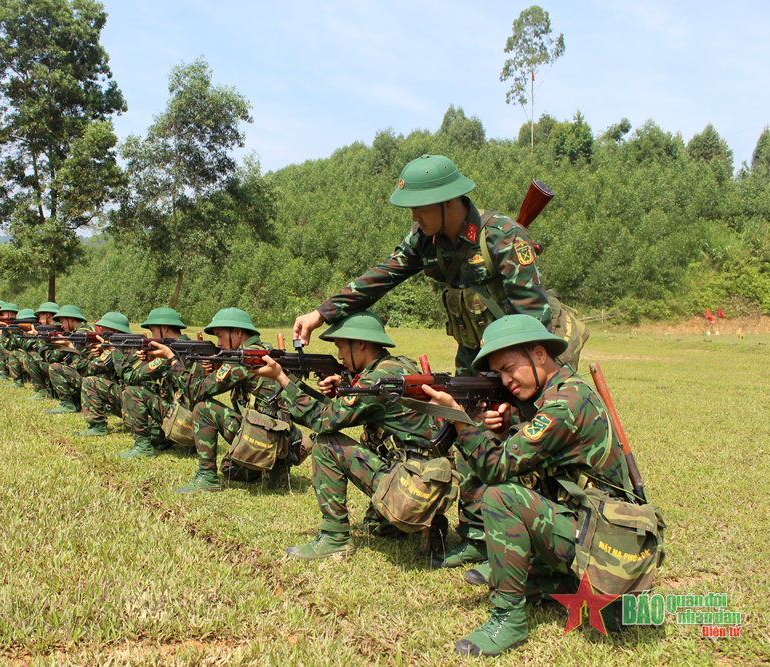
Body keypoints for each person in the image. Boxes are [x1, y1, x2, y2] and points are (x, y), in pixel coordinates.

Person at [292, 154, 588, 567]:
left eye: (420, 207)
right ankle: (474, 533)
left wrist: (513, 380)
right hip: (477, 350)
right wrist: (321, 314)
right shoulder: (424, 241)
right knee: (467, 428)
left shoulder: (503, 236)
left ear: (450, 202)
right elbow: (382, 275)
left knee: (522, 433)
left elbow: (533, 315)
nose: (414, 216)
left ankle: (535, 536)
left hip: (530, 349)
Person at [422, 315, 629, 657]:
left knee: (500, 496)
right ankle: (558, 580)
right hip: (593, 527)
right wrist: (504, 430)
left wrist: (459, 420)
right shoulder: (561, 391)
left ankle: (509, 620)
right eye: (499, 374)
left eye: (509, 368)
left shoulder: (563, 406)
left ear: (539, 353)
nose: (506, 381)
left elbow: (496, 467)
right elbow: (531, 457)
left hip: (605, 544)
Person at [252, 310, 445, 559]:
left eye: (342, 347)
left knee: (325, 444)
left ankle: (334, 538)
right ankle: (426, 519)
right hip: (428, 481)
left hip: (410, 486)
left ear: (361, 344)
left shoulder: (374, 380)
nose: (340, 356)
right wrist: (346, 390)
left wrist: (281, 378)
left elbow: (325, 421)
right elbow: (352, 410)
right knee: (375, 527)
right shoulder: (399, 365)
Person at [149, 308, 294, 493]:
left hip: (271, 438)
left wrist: (172, 359)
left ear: (238, 333)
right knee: (231, 470)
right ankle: (274, 470)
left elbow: (196, 391)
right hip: (279, 438)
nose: (218, 343)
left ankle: (207, 477)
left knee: (203, 408)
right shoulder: (259, 351)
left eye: (220, 336)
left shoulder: (244, 359)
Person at [106, 307, 206, 456]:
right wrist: (151, 359)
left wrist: (114, 352)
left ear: (164, 328)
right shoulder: (190, 346)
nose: (152, 336)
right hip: (197, 424)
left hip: (183, 421)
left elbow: (130, 377)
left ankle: (143, 447)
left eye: (153, 331)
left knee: (133, 391)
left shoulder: (171, 353)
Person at [75, 311, 136, 437]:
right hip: (135, 401)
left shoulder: (120, 350)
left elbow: (84, 369)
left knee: (90, 382)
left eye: (104, 331)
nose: (100, 334)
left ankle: (98, 427)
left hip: (134, 403)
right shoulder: (128, 345)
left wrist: (78, 349)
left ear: (115, 332)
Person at [45, 305, 94, 414]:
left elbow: (78, 364)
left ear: (71, 319)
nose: (61, 326)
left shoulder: (79, 335)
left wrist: (66, 344)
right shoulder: (87, 330)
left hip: (90, 378)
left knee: (55, 368)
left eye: (62, 321)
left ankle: (67, 404)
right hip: (92, 375)